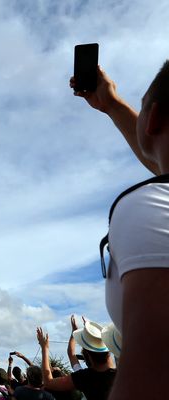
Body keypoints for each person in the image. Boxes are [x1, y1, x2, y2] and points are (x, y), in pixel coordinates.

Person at [71, 61, 169, 399]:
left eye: (141, 108)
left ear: (153, 119)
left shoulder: (149, 206)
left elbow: (149, 381)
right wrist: (112, 105)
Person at [37, 326, 115, 400]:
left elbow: (48, 382)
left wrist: (45, 348)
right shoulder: (120, 374)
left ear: (88, 356)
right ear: (108, 353)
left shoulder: (84, 377)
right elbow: (72, 354)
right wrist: (94, 338)